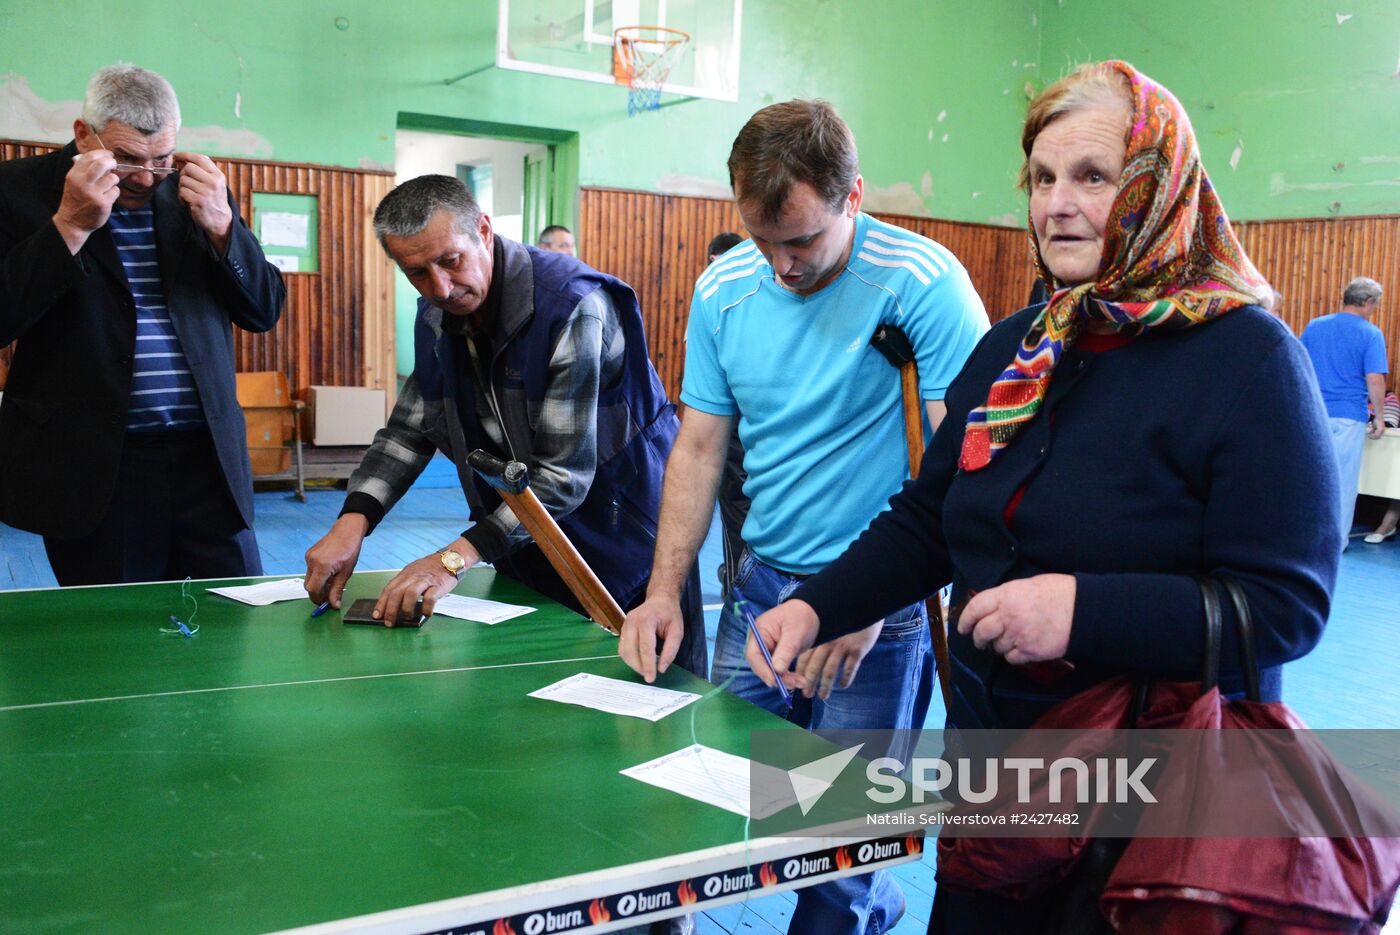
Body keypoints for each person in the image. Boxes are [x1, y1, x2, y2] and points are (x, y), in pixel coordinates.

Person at [744, 62, 1339, 933]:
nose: (1057, 203)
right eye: (1044, 178)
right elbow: (929, 520)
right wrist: (820, 604)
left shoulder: (1249, 358)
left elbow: (1284, 608)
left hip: (1155, 806)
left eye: (1093, 177)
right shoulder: (1019, 347)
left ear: (1160, 188)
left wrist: (1080, 610)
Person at [620, 100, 989, 935]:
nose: (782, 266)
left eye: (802, 241)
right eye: (761, 241)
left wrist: (873, 601)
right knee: (712, 796)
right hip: (760, 589)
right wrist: (663, 593)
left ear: (853, 195)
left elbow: (956, 470)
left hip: (877, 609)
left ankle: (861, 899)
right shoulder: (724, 289)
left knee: (837, 845)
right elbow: (699, 449)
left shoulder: (924, 285)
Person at [303, 175, 705, 676]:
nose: (440, 288)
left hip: (625, 553)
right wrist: (352, 523)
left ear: (485, 231)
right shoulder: (436, 316)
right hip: (526, 546)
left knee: (655, 715)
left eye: (450, 261)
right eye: (417, 273)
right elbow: (408, 430)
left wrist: (450, 561)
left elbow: (560, 482)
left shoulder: (575, 308)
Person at [0, 63, 285, 585]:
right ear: (82, 133)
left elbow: (263, 311)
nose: (145, 177)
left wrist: (223, 228)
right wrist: (68, 227)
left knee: (234, 620)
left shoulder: (196, 189)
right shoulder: (16, 191)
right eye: (126, 158)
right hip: (95, 465)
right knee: (114, 642)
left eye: (161, 159)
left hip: (208, 459)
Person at [1301, 277, 1388, 548]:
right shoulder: (1370, 333)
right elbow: (1374, 379)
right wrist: (1381, 418)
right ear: (1369, 302)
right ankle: (1334, 543)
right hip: (1348, 415)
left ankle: (1302, 537)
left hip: (1313, 412)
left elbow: (1299, 365)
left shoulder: (1315, 326)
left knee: (1310, 478)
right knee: (1342, 482)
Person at [704, 230, 749, 590]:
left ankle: (739, 578)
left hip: (756, 433)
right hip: (726, 431)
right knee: (732, 507)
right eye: (714, 267)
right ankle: (734, 578)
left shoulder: (756, 304)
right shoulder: (709, 306)